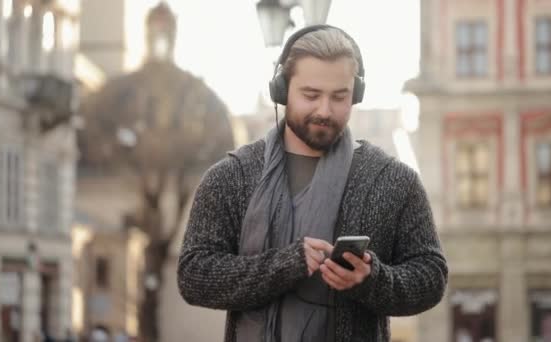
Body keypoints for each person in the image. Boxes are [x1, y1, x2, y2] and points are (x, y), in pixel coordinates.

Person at [177, 24, 448, 342]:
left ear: (355, 95)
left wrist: (372, 279)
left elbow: (431, 276)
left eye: (339, 97)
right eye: (311, 95)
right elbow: (194, 275)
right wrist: (285, 265)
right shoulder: (230, 177)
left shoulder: (394, 181)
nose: (325, 110)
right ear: (281, 90)